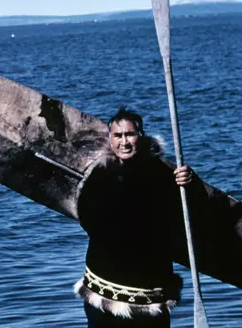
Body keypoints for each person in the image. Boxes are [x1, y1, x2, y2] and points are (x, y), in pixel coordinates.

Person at [73, 107, 199, 327]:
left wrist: (191, 184)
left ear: (141, 136)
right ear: (110, 139)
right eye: (118, 136)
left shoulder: (162, 175)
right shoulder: (99, 175)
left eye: (130, 134)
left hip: (150, 295)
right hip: (103, 293)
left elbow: (189, 217)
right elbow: (88, 219)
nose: (125, 142)